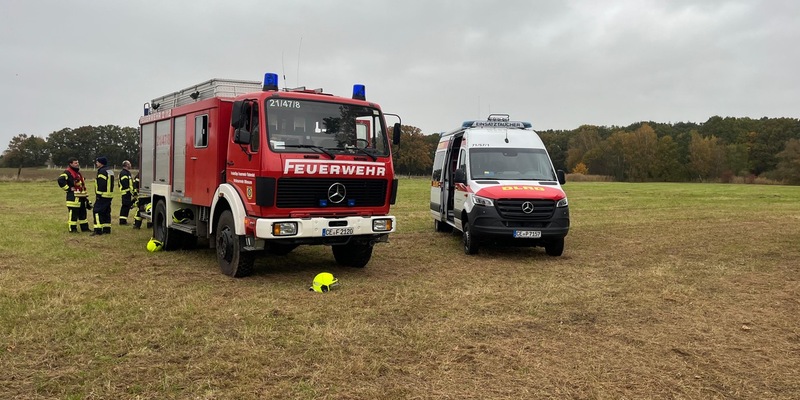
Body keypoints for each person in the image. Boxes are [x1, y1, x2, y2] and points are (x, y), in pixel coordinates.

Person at [56, 157, 92, 232]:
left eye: (77, 162)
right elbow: (60, 180)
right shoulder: (67, 172)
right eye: (75, 163)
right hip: (73, 198)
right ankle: (72, 229)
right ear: (70, 164)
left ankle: (85, 228)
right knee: (73, 215)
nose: (77, 164)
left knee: (83, 214)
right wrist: (68, 189)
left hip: (81, 197)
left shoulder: (78, 173)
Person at [92, 156, 115, 236]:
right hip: (109, 195)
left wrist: (98, 194)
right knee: (106, 212)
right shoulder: (110, 171)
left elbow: (101, 183)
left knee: (97, 211)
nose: (96, 163)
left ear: (101, 163)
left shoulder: (102, 171)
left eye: (97, 162)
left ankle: (98, 230)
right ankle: (107, 229)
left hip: (102, 195)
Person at [118, 160, 133, 225]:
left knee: (127, 206)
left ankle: (123, 220)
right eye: (129, 164)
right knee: (125, 206)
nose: (130, 165)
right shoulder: (124, 173)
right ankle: (122, 221)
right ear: (126, 165)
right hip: (126, 192)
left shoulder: (127, 172)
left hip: (127, 192)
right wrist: (128, 190)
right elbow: (124, 183)